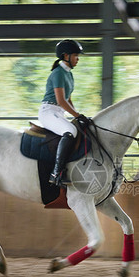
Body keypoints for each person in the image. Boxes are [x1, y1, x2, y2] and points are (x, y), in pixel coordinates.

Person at [39, 39, 90, 186]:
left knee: (78, 130)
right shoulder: (58, 73)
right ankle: (56, 172)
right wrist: (77, 115)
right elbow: (61, 101)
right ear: (65, 56)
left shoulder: (68, 74)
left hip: (59, 112)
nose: (78, 59)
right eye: (75, 55)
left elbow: (68, 99)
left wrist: (77, 114)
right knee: (69, 132)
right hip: (48, 111)